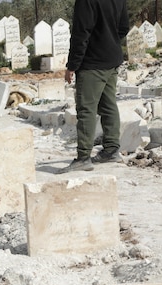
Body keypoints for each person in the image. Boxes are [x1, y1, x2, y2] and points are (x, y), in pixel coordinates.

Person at [61, 0, 129, 173]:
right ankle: (111, 150)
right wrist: (109, 42)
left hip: (92, 63)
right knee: (108, 105)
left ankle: (83, 157)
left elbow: (80, 33)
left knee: (86, 110)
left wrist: (72, 65)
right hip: (112, 60)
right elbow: (123, 27)